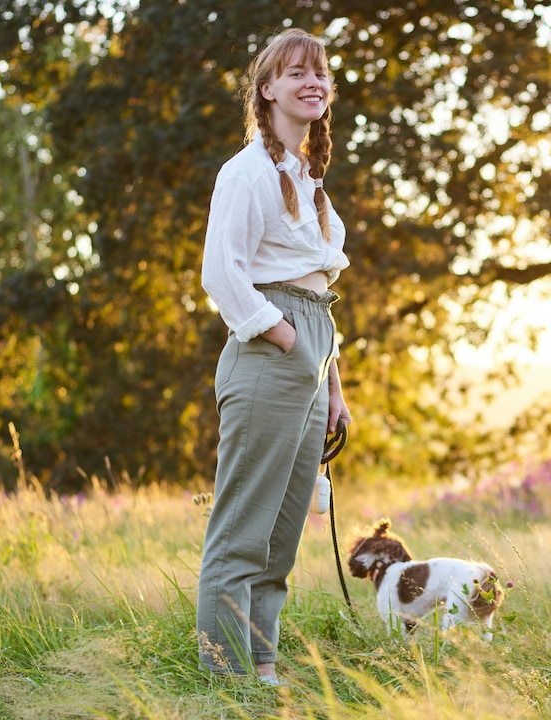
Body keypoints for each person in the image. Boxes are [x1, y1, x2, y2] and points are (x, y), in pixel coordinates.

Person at [195, 27, 352, 685]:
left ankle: (262, 668)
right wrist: (284, 337)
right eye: (295, 73)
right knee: (243, 533)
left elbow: (318, 289)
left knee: (283, 532)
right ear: (267, 90)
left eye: (319, 72)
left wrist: (333, 384)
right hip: (269, 350)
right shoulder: (247, 170)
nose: (312, 82)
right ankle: (224, 676)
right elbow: (221, 272)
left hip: (312, 350)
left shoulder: (307, 173)